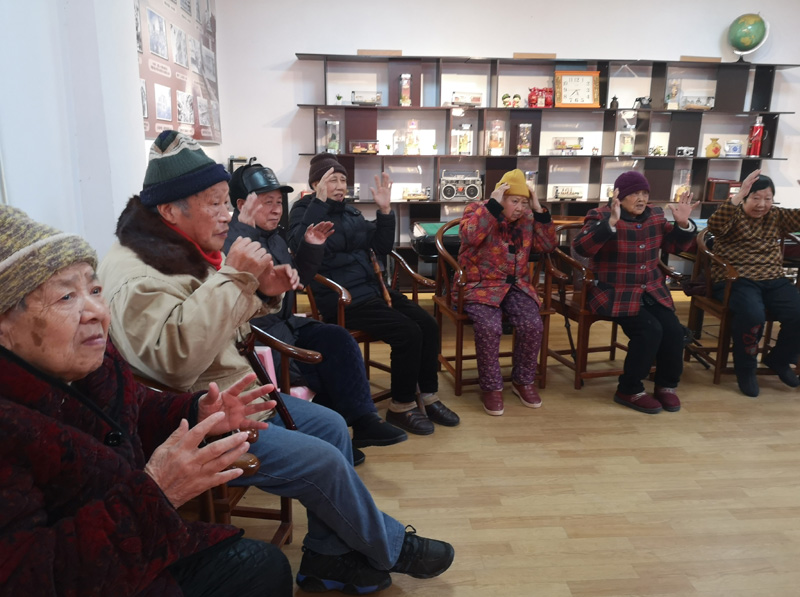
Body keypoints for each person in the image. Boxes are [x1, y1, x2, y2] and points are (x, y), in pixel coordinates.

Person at [98, 131, 454, 594]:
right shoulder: (140, 272)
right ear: (169, 210)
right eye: (215, 203)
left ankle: (327, 558)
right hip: (194, 418)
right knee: (324, 461)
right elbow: (175, 363)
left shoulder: (181, 248)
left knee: (331, 425)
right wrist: (237, 278)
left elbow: (218, 322)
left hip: (233, 392)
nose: (227, 214)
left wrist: (261, 290)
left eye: (227, 201)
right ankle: (391, 547)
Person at [0, 205, 293, 597]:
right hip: (108, 564)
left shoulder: (93, 362)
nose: (97, 312)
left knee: (265, 565)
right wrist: (155, 493)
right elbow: (28, 580)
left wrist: (195, 410)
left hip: (136, 537)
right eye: (67, 296)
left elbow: (129, 410)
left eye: (95, 290)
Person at [224, 162, 408, 465]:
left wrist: (311, 247)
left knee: (337, 338)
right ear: (242, 205)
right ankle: (330, 439)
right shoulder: (234, 243)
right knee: (319, 363)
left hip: (286, 324)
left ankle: (363, 421)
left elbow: (298, 281)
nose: (276, 209)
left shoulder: (273, 236)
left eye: (278, 201)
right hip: (259, 337)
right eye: (267, 202)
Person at [288, 152, 460, 435]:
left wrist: (385, 211)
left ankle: (428, 396)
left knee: (428, 324)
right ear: (316, 184)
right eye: (333, 180)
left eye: (343, 179)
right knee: (407, 332)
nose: (340, 186)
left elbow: (380, 247)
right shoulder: (304, 210)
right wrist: (318, 203)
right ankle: (401, 405)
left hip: (375, 290)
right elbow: (298, 244)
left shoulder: (350, 212)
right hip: (343, 299)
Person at [572, 170, 697, 414]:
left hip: (651, 290)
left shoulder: (655, 215)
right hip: (614, 292)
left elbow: (674, 246)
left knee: (673, 330)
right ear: (619, 196)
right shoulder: (600, 215)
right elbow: (582, 248)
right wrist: (610, 223)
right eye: (634, 194)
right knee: (650, 330)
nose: (641, 199)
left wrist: (683, 225)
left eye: (644, 193)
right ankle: (629, 389)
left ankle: (666, 385)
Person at [457, 169, 556, 416]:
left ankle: (523, 381)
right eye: (515, 201)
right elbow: (470, 236)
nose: (520, 208)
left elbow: (547, 245)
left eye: (524, 202)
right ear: (501, 197)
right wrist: (492, 207)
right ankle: (491, 387)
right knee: (489, 327)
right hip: (481, 286)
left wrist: (538, 209)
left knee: (532, 324)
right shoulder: (478, 209)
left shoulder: (529, 218)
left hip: (517, 285)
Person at [706, 170, 800, 397]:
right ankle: (746, 368)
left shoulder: (776, 215)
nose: (762, 204)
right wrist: (737, 196)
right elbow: (714, 226)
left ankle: (779, 359)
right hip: (736, 279)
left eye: (768, 198)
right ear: (745, 197)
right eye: (756, 198)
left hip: (772, 278)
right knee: (752, 315)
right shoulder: (733, 214)